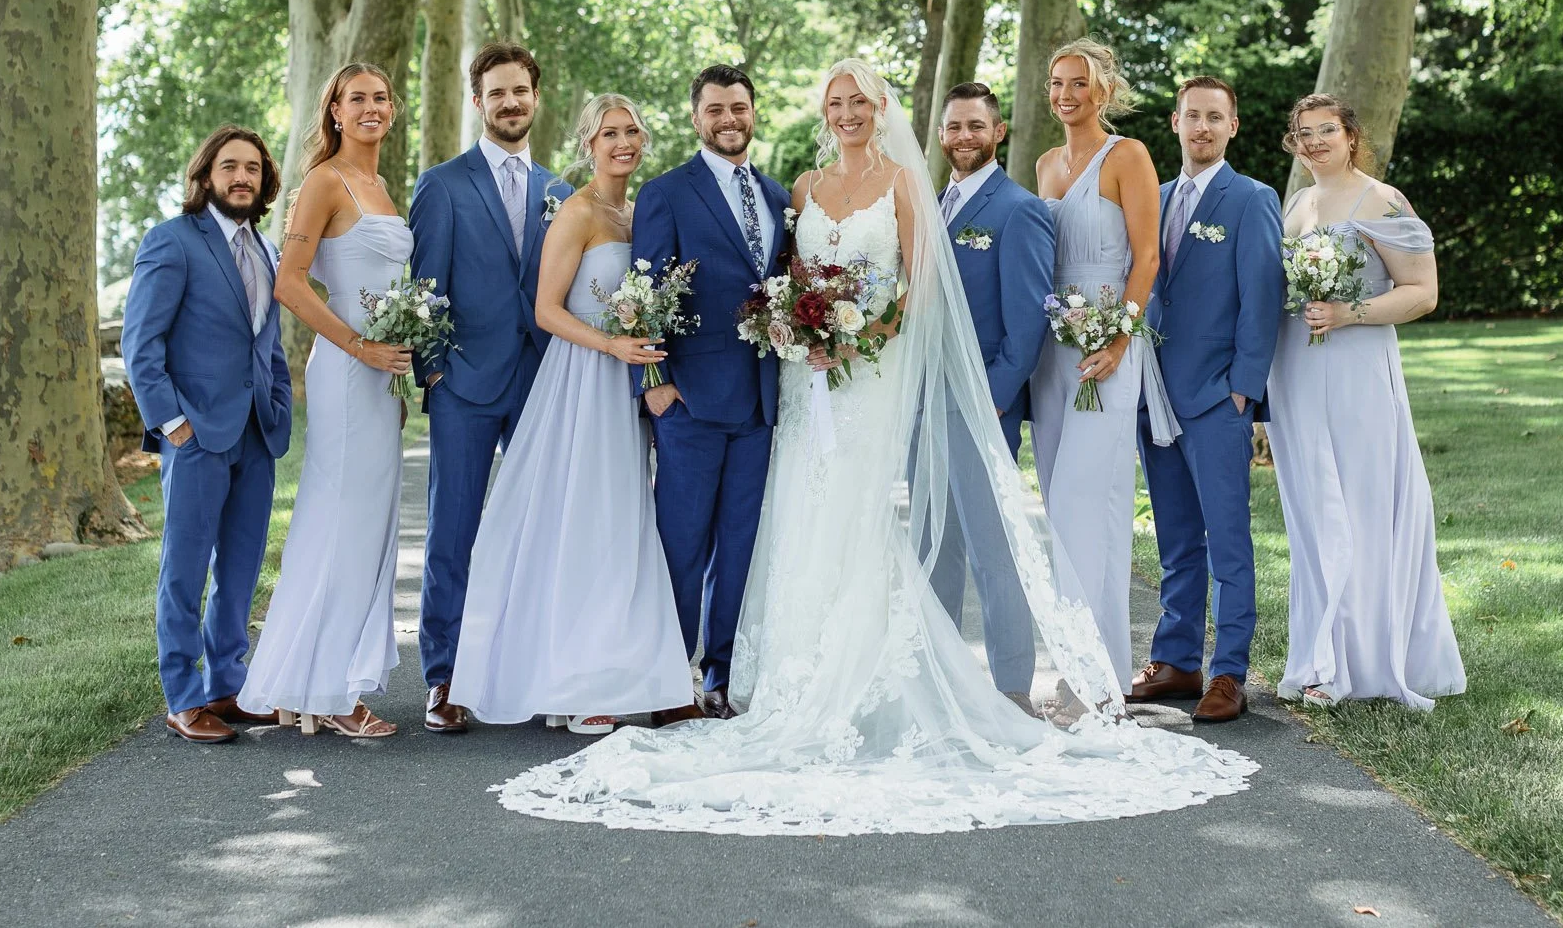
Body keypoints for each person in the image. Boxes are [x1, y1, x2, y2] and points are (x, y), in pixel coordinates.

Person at [490, 60, 1256, 837]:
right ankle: (738, 676)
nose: (849, 112)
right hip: (798, 384)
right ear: (821, 112)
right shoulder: (799, 188)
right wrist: (791, 330)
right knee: (790, 519)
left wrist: (865, 334)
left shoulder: (900, 183)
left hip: (870, 377)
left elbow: (919, 281)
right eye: (836, 102)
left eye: (860, 101)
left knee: (858, 518)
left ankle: (855, 680)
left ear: (880, 108)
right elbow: (773, 280)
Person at [449, 95, 693, 733]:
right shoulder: (578, 212)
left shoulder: (641, 214)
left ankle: (611, 673)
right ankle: (577, 684)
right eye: (610, 133)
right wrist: (612, 343)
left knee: (623, 525)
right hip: (583, 379)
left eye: (632, 132)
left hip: (630, 384)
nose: (623, 142)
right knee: (585, 521)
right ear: (589, 143)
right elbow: (547, 310)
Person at [1266, 94, 1465, 710]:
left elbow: (1423, 292)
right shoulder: (1297, 203)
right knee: (1311, 511)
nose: (1316, 141)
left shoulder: (1383, 200)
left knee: (1361, 502)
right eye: (1305, 133)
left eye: (1328, 130)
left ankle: (1371, 660)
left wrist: (1350, 312)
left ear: (1352, 135)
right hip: (1296, 371)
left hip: (1355, 370)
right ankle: (1322, 657)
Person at [236, 63, 412, 738]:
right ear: (335, 111)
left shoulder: (380, 186)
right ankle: (332, 693)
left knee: (364, 529)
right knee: (343, 526)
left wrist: (393, 358)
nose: (371, 107)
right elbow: (290, 283)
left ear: (392, 110)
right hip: (344, 374)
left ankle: (302, 682)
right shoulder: (323, 183)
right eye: (356, 98)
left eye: (381, 98)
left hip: (379, 382)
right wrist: (359, 347)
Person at [409, 43, 571, 735]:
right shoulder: (442, 185)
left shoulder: (559, 191)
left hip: (540, 384)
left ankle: (526, 666)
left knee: (539, 532)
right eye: (496, 92)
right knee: (454, 530)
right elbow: (424, 290)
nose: (510, 103)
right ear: (478, 101)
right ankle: (445, 675)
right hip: (465, 386)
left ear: (536, 99)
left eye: (520, 92)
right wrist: (435, 370)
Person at [120, 125, 292, 744]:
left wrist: (279, 405)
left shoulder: (270, 251)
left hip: (255, 434)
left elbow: (266, 344)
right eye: (229, 167)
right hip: (194, 435)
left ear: (264, 180)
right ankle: (183, 695)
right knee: (185, 569)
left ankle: (228, 684)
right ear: (205, 176)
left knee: (242, 570)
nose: (241, 177)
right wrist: (173, 424)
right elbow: (140, 345)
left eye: (251, 168)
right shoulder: (172, 242)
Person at [629, 65, 790, 721]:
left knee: (741, 543)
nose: (729, 118)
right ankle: (671, 678)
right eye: (716, 108)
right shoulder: (666, 192)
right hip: (690, 397)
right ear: (697, 117)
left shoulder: (779, 195)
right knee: (682, 542)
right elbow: (644, 292)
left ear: (754, 113)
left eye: (740, 107)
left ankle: (719, 675)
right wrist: (656, 384)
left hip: (760, 397)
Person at [1133, 77, 1284, 724]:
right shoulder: (1153, 198)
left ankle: (1227, 671)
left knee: (1227, 541)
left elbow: (1263, 297)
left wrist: (1243, 388)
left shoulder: (1251, 199)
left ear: (1232, 126)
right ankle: (1176, 660)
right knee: (1174, 538)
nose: (1201, 126)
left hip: (1217, 397)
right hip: (1153, 394)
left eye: (1213, 117)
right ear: (1174, 122)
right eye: (1191, 115)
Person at [1029, 38, 1174, 697]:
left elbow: (1147, 256)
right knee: (1060, 502)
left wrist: (1120, 339)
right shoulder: (1043, 164)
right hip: (1052, 349)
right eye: (1058, 83)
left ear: (1103, 90)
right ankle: (1073, 658)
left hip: (1111, 341)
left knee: (1094, 497)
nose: (1066, 94)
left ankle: (1104, 668)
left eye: (1079, 83)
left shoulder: (1129, 156)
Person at [927, 81, 1054, 709]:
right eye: (953, 127)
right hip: (927, 405)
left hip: (982, 408)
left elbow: (1029, 323)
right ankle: (948, 682)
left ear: (998, 132)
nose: (963, 138)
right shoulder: (933, 205)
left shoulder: (1019, 209)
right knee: (936, 550)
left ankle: (1011, 689)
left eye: (975, 126)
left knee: (993, 552)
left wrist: (995, 399)